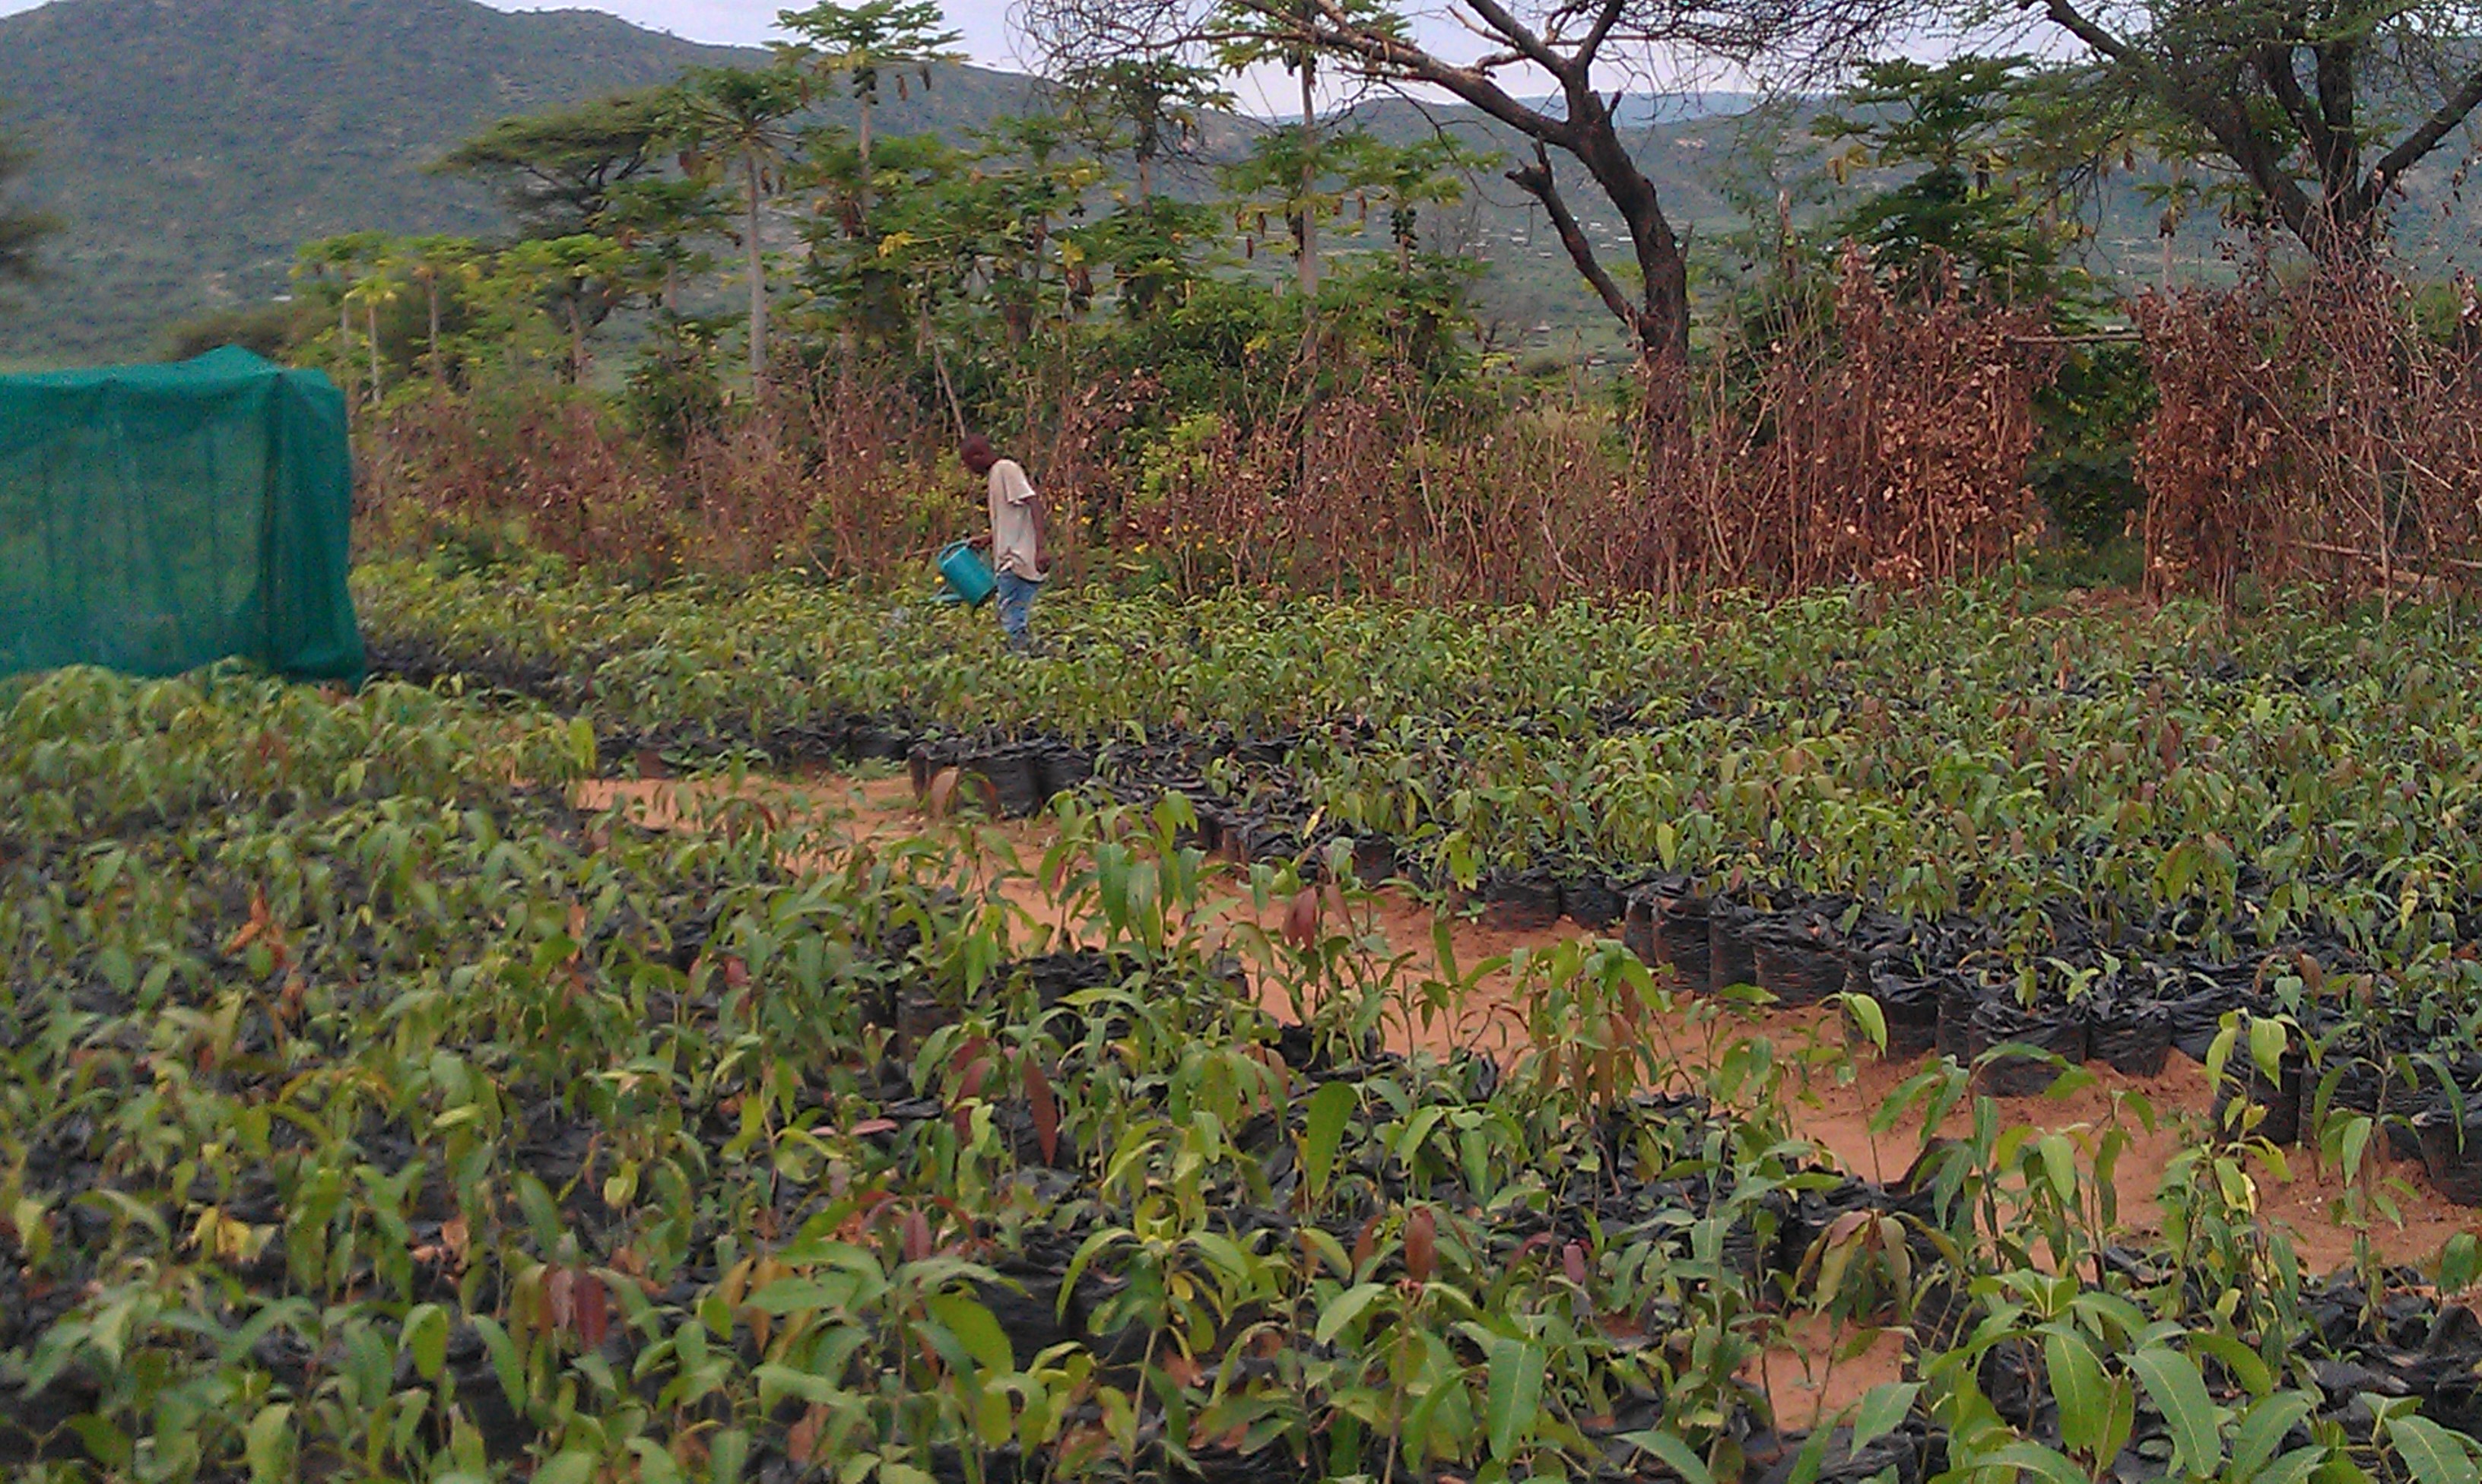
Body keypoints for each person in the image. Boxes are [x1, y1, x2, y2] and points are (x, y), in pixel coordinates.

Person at [962, 433, 1043, 652]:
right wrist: (988, 539)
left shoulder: (1006, 469)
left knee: (1012, 624)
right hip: (1010, 562)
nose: (971, 470)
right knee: (1014, 620)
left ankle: (1023, 672)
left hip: (1016, 561)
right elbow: (1014, 519)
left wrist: (1041, 549)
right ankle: (1031, 664)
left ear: (979, 456)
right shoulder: (997, 475)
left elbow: (1033, 502)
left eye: (970, 464)